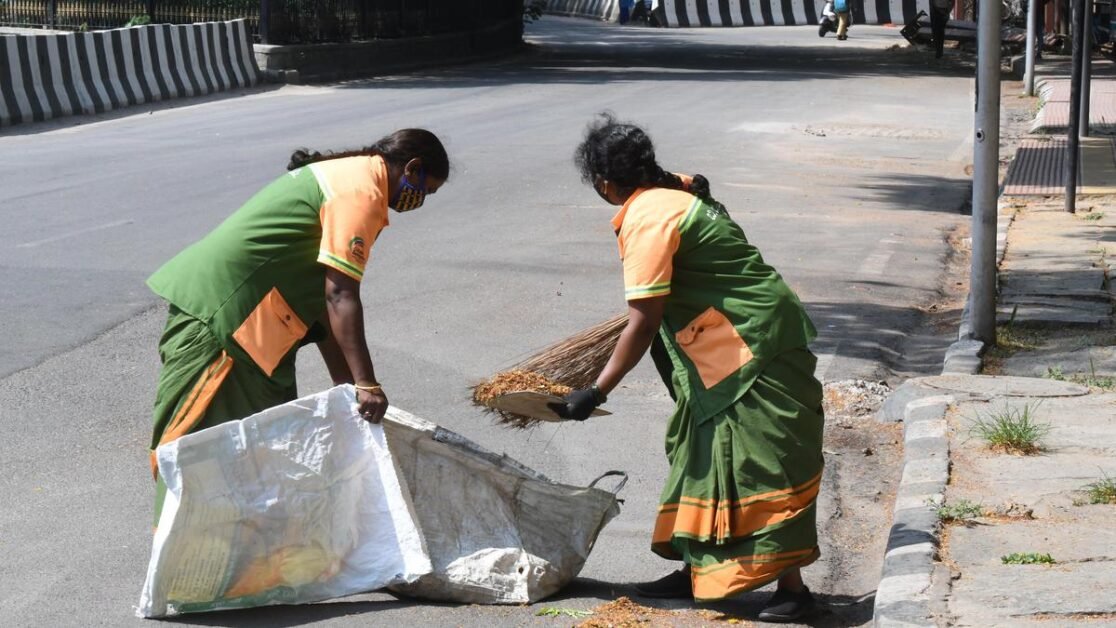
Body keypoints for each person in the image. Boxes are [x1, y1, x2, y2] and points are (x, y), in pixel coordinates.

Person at [553, 114, 824, 623]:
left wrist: (596, 390)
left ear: (604, 183)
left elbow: (643, 318)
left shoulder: (648, 218)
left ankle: (793, 588)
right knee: (701, 447)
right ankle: (698, 568)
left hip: (758, 341)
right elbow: (685, 180)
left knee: (764, 457)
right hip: (721, 339)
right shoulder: (667, 190)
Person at [145, 128, 449, 521]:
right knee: (198, 446)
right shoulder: (360, 193)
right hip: (223, 318)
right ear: (412, 167)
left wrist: (348, 386)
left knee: (262, 445)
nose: (419, 200)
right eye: (425, 189)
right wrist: (367, 384)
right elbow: (340, 296)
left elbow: (323, 304)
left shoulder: (351, 174)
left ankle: (247, 557)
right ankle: (187, 562)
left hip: (259, 327)